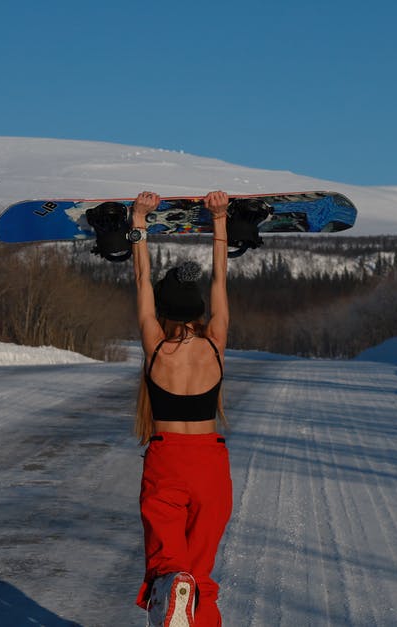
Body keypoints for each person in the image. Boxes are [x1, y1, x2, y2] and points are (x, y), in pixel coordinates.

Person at [129, 190, 233, 627]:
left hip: (167, 457)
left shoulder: (156, 347)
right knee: (202, 574)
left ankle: (173, 590)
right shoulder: (215, 343)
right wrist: (220, 219)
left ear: (165, 309)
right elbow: (220, 281)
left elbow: (140, 279)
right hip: (211, 463)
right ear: (198, 311)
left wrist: (139, 220)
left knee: (167, 564)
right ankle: (189, 598)